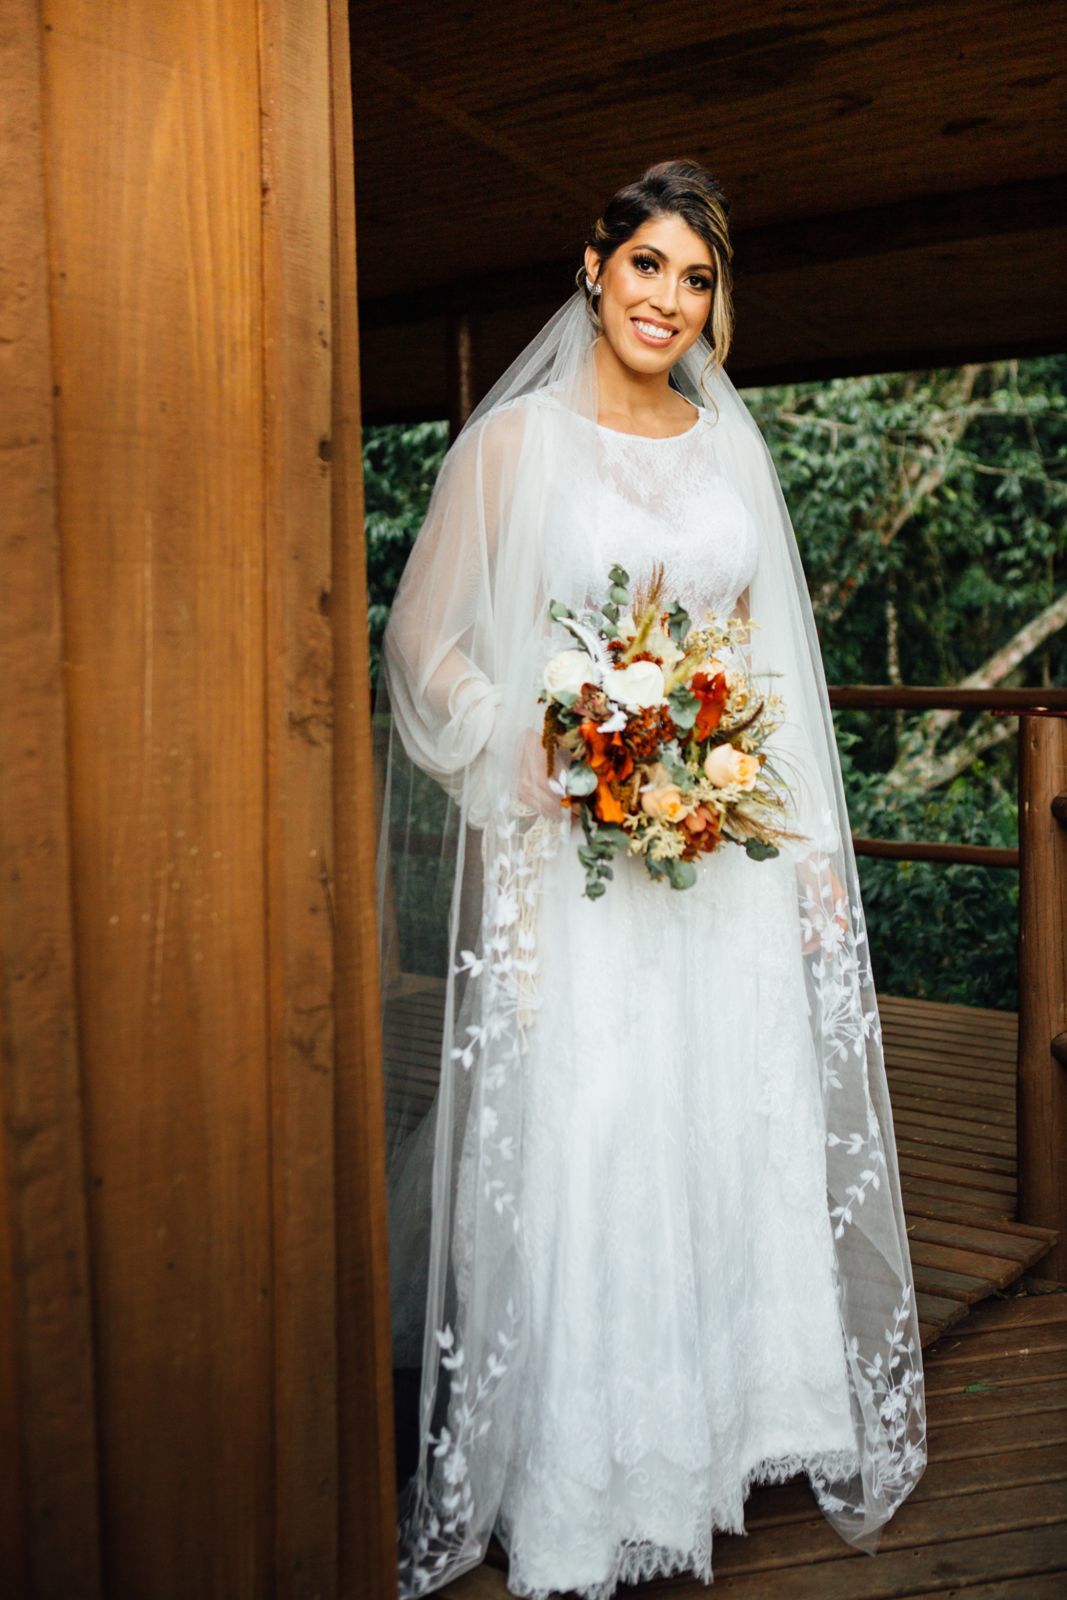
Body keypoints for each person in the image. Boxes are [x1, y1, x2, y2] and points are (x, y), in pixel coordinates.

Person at [374, 158, 927, 1600]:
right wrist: (543, 749)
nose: (669, 300)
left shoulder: (725, 450)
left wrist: (801, 850)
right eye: (648, 268)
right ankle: (587, 1474)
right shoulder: (514, 451)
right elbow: (424, 645)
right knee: (600, 1129)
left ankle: (733, 1425)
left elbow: (763, 674)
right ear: (594, 266)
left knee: (720, 1124)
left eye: (696, 279)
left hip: (716, 861)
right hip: (577, 868)